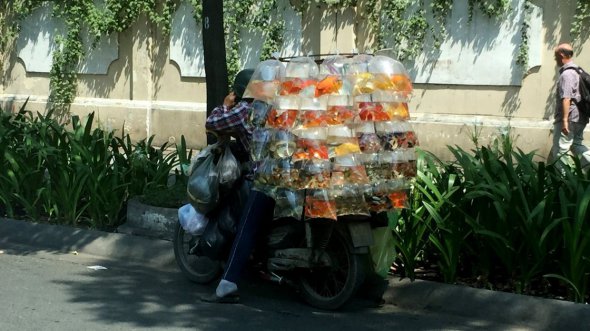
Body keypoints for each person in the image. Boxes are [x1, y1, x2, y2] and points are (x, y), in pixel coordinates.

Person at [201, 69, 276, 303]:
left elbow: (212, 123)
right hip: (294, 175)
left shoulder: (244, 110)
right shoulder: (278, 107)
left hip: (266, 178)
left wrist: (225, 105)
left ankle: (227, 284)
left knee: (246, 228)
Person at [549, 42, 590, 171]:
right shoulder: (578, 71)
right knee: (576, 145)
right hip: (580, 118)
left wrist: (565, 121)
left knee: (561, 150)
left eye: (556, 55)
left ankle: (563, 183)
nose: (555, 59)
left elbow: (567, 98)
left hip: (569, 119)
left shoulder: (567, 74)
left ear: (561, 54)